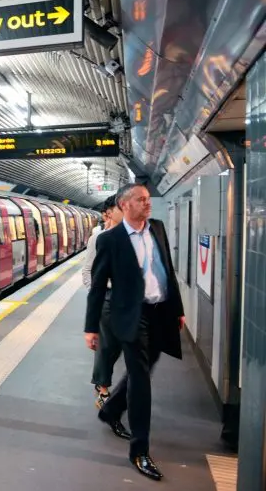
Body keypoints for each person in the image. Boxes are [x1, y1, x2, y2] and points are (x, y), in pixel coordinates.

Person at [84, 183, 185, 481]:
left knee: (149, 363)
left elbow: (168, 271)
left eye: (148, 199)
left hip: (160, 312)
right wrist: (91, 327)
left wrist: (177, 309)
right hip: (131, 316)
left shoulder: (158, 228)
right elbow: (98, 285)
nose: (147, 203)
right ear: (125, 205)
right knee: (141, 378)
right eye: (141, 199)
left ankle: (111, 409)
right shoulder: (110, 240)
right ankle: (139, 450)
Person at [82, 195, 124, 407]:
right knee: (107, 347)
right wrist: (97, 297)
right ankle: (104, 388)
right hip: (108, 299)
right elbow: (87, 271)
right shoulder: (99, 238)